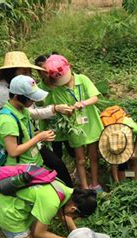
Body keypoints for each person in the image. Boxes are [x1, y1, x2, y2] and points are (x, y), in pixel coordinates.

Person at [44, 54, 104, 191]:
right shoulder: (58, 90)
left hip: (91, 124)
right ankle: (84, 187)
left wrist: (83, 103)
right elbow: (60, 107)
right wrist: (67, 110)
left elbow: (95, 98)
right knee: (80, 159)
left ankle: (95, 183)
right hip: (75, 127)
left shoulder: (82, 80)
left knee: (93, 156)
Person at [0, 75, 55, 167]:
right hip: (21, 169)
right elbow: (13, 151)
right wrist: (38, 138)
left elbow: (23, 136)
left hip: (33, 162)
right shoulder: (7, 120)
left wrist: (39, 134)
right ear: (16, 96)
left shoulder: (23, 110)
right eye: (30, 98)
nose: (33, 101)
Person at [34, 53, 76, 162]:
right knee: (56, 157)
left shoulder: (63, 83)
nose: (48, 72)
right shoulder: (37, 90)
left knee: (74, 153)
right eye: (44, 70)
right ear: (39, 73)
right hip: (50, 131)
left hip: (68, 128)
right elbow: (36, 111)